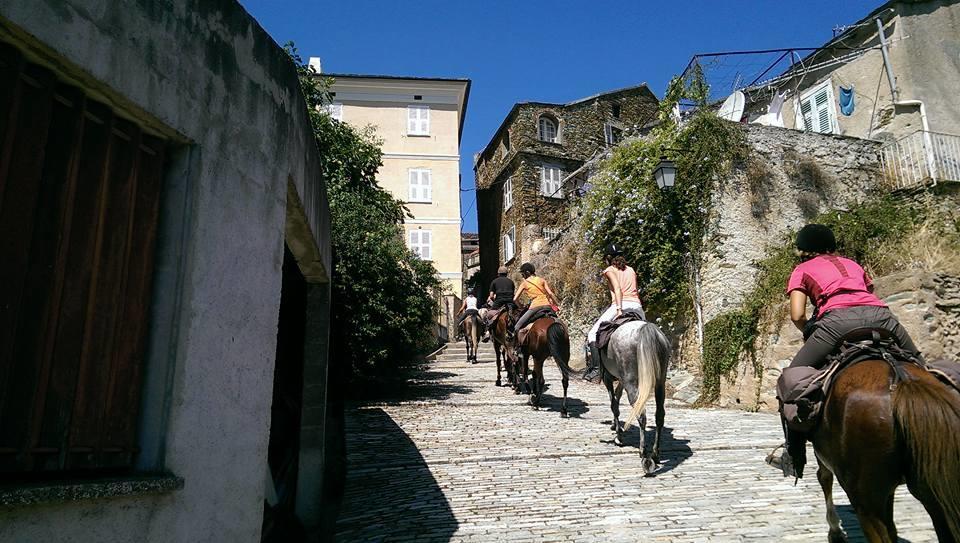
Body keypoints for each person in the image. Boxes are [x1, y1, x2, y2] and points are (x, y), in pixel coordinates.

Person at [769, 223, 922, 478]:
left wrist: (811, 331)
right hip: (882, 317)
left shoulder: (802, 269)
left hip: (837, 323)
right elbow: (866, 294)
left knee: (790, 382)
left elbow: (797, 314)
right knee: (921, 367)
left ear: (804, 250)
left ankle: (792, 456)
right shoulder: (853, 264)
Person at [583, 243, 646, 383]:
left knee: (592, 334)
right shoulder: (631, 270)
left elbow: (617, 289)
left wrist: (618, 308)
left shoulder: (609, 270)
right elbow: (635, 289)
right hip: (637, 306)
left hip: (622, 304)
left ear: (609, 258)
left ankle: (596, 370)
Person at [513, 262, 560, 333]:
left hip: (535, 307)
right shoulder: (542, 280)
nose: (522, 276)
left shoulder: (524, 283)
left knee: (517, 326)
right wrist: (557, 305)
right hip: (547, 305)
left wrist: (520, 307)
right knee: (558, 322)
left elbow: (515, 299)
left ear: (527, 272)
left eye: (523, 274)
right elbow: (550, 293)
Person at [480, 266, 515, 342]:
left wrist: (494, 300)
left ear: (498, 274)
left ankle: (487, 332)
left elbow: (491, 295)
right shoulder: (511, 282)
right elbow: (512, 293)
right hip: (510, 302)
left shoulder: (494, 282)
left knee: (489, 315)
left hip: (499, 302)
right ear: (506, 274)